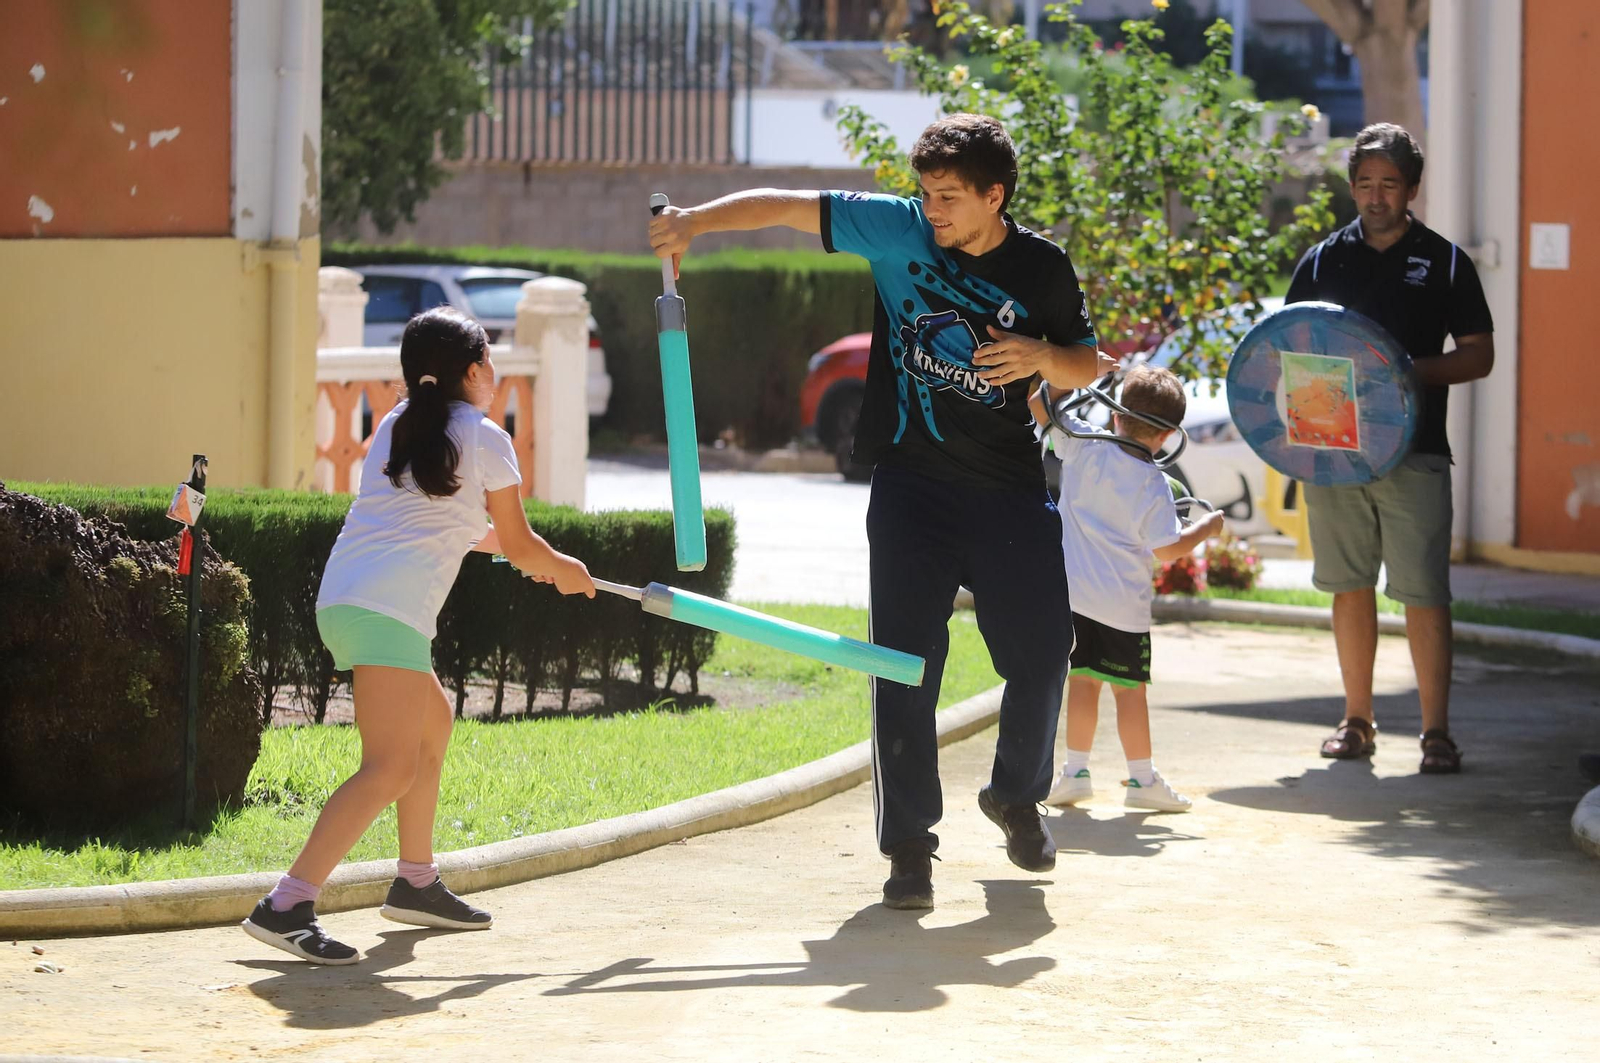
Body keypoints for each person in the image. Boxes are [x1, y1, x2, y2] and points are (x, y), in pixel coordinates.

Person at [649, 114, 1113, 910]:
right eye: (926, 192)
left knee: (1044, 654)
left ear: (994, 196)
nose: (932, 209)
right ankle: (908, 849)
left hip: (1007, 488)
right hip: (912, 491)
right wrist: (695, 222)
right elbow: (786, 206)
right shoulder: (897, 229)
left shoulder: (1041, 267)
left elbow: (1087, 360)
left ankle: (1015, 796)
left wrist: (1039, 357)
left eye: (949, 197)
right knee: (902, 669)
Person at [242, 307, 595, 965]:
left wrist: (539, 562)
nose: (494, 368)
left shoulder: (398, 428)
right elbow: (517, 542)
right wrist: (558, 566)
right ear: (471, 370)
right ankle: (287, 901)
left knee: (432, 721)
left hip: (352, 598)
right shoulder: (487, 436)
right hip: (386, 609)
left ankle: (416, 880)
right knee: (391, 765)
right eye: (488, 357)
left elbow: (456, 526)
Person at [1284, 123, 1494, 774]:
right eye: (1366, 184)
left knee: (1425, 591)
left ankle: (1436, 733)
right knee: (1348, 586)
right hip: (1335, 453)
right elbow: (1289, 348)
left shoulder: (1447, 261)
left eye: (1390, 184)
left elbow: (1479, 355)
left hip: (1417, 450)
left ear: (1412, 189)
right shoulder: (1321, 260)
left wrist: (1403, 370)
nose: (1376, 196)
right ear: (1351, 187)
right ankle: (1356, 720)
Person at [1030, 366, 1223, 814]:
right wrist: (1205, 530)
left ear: (1118, 414)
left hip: (1074, 600)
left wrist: (1077, 372)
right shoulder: (1154, 484)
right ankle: (1142, 778)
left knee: (1082, 683)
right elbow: (1169, 549)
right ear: (1169, 434)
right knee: (1129, 691)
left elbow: (1038, 403)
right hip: (1122, 609)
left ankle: (1074, 772)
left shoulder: (1084, 444)